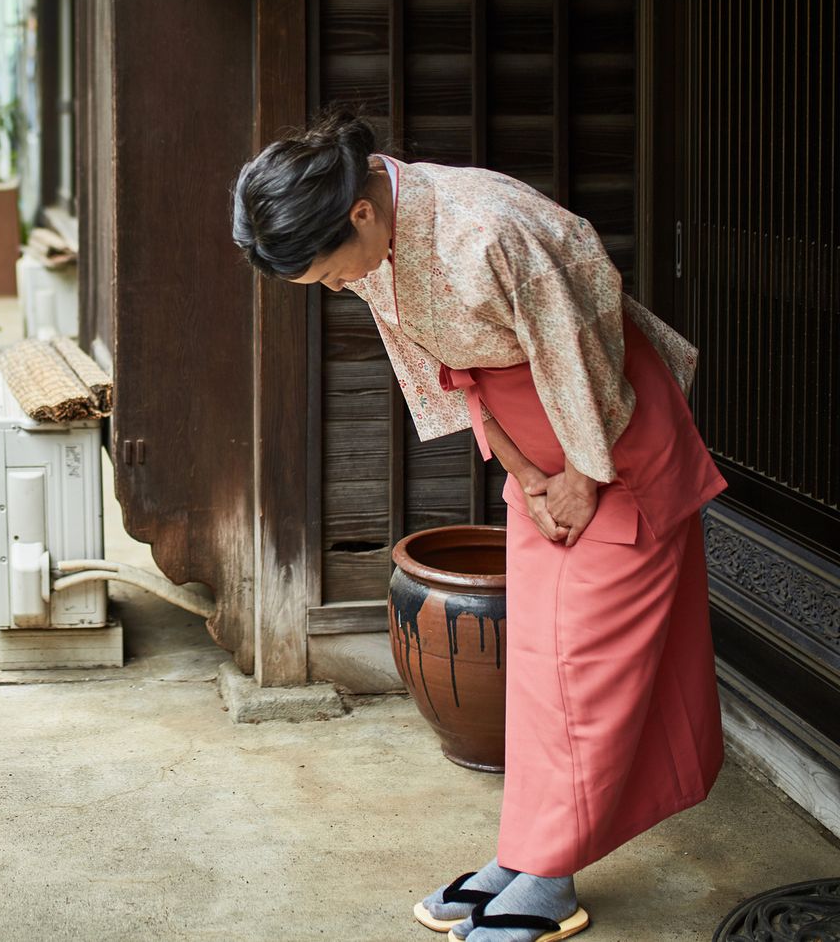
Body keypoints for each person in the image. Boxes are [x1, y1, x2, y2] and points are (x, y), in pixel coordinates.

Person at [231, 108, 726, 942]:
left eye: (327, 274)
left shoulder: (482, 230)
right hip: (539, 459)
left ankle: (551, 875)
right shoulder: (377, 236)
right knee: (537, 659)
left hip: (613, 442)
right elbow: (447, 373)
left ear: (359, 211)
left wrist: (581, 473)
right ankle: (524, 852)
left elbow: (582, 355)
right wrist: (526, 475)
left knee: (585, 667)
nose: (337, 288)